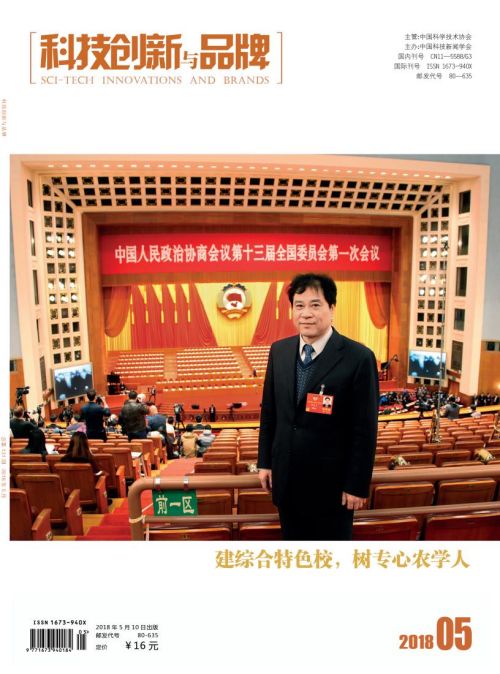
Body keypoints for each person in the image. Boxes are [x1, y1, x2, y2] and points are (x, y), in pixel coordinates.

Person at [257, 273, 379, 541]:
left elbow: (365, 429)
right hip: (287, 483)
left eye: (315, 305)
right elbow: (270, 413)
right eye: (299, 306)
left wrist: (357, 484)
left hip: (333, 489)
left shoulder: (359, 358)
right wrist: (264, 462)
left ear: (332, 308)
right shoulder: (279, 351)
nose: (306, 314)